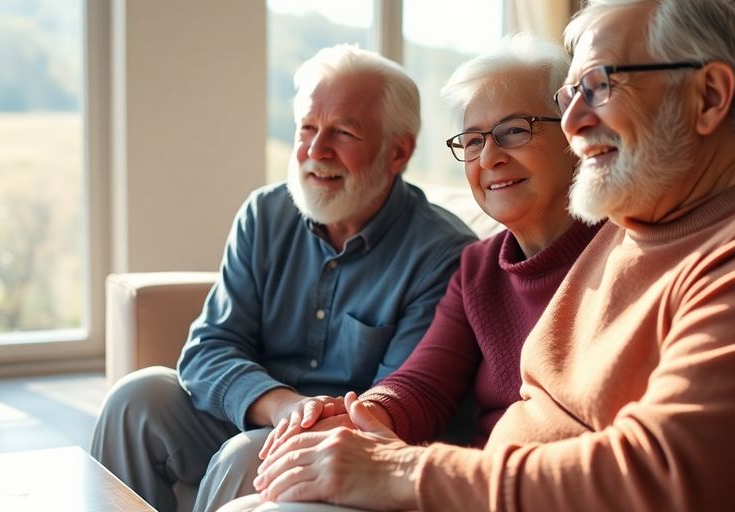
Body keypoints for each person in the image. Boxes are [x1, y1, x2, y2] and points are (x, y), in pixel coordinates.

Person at [225, 1, 735, 511]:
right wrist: (366, 419)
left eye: (599, 85)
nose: (574, 122)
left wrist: (398, 470)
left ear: (710, 96)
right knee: (260, 482)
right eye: (569, 95)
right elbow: (442, 388)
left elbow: (662, 478)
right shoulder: (631, 231)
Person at [192, 34, 602, 511]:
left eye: (514, 130)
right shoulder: (478, 268)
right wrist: (347, 422)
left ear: (578, 133)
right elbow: (421, 386)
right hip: (460, 481)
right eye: (473, 140)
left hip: (497, 488)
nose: (490, 157)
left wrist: (395, 460)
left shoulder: (622, 257)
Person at [89, 44, 477, 512]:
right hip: (261, 407)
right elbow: (208, 347)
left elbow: (393, 407)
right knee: (137, 397)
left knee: (249, 454)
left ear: (398, 152)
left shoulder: (441, 255)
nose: (316, 150)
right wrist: (281, 406)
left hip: (344, 444)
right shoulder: (265, 214)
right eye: (307, 128)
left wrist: (296, 423)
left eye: (343, 133)